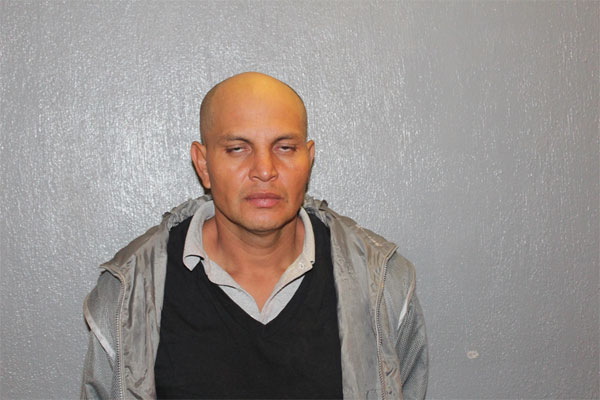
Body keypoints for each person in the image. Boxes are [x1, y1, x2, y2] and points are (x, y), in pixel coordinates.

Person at [81, 72, 428, 400]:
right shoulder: (128, 294)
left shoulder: (382, 284)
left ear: (308, 159)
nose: (264, 170)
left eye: (285, 148)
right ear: (203, 164)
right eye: (237, 148)